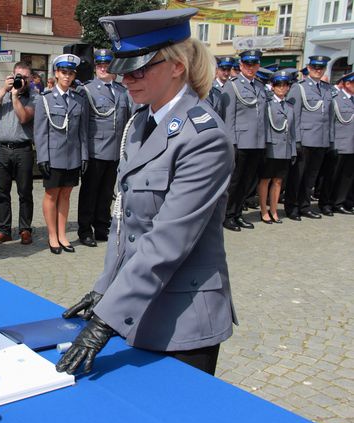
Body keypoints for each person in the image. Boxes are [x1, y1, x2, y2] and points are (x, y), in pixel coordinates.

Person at [57, 8, 236, 377]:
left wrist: (104, 322)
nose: (125, 78)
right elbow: (124, 223)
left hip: (182, 324)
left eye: (139, 68)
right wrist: (105, 290)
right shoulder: (141, 122)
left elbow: (167, 240)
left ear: (177, 66)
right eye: (124, 67)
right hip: (136, 309)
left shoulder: (204, 137)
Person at [34, 54, 89, 254]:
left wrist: (84, 155)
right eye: (63, 72)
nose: (67, 76)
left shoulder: (78, 99)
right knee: (51, 195)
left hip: (72, 156)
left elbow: (82, 131)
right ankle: (52, 235)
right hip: (53, 156)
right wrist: (42, 157)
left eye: (71, 73)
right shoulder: (45, 99)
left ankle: (62, 234)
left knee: (66, 194)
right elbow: (40, 132)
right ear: (56, 73)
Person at [77, 49, 130, 247]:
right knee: (90, 192)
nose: (102, 68)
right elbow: (82, 125)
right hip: (95, 149)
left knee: (107, 192)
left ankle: (101, 226)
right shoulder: (87, 89)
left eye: (106, 65)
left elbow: (127, 121)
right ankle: (85, 230)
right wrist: (83, 152)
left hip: (115, 150)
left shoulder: (122, 91)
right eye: (99, 65)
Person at [0, 61, 36, 246]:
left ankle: (25, 229)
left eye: (24, 77)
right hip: (2, 149)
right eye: (18, 76)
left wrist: (15, 96)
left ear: (30, 79)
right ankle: (3, 230)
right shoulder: (5, 93)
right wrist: (4, 90)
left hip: (23, 149)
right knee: (2, 193)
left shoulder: (35, 97)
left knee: (25, 193)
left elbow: (24, 118)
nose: (21, 80)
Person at [221, 49, 268, 231]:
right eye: (247, 64)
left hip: (256, 142)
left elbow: (262, 117)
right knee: (235, 181)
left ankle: (238, 213)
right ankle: (227, 215)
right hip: (239, 142)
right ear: (241, 66)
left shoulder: (260, 86)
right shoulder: (232, 86)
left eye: (254, 64)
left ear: (258, 66)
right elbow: (229, 117)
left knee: (247, 182)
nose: (251, 67)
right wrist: (231, 143)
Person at [285, 55, 335, 221]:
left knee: (311, 176)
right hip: (305, 138)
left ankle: (304, 205)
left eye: (321, 67)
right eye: (315, 67)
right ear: (309, 67)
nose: (318, 70)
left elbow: (330, 117)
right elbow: (294, 116)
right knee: (297, 176)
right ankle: (292, 207)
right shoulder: (299, 88)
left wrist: (330, 140)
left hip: (321, 140)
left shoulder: (328, 89)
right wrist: (296, 140)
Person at [258, 70, 296, 224]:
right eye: (278, 85)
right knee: (265, 180)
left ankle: (274, 210)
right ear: (272, 87)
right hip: (271, 147)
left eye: (285, 85)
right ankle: (263, 210)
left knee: (278, 181)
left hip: (285, 149)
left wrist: (293, 151)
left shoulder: (290, 106)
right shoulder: (267, 104)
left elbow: (292, 131)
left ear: (288, 87)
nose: (281, 88)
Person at [318, 71, 354, 215]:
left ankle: (340, 202)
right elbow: (329, 122)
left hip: (351, 145)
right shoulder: (335, 99)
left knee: (347, 177)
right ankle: (326, 203)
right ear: (346, 84)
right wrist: (330, 143)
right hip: (338, 144)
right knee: (331, 176)